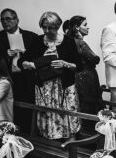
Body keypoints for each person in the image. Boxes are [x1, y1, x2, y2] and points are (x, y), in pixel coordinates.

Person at [20, 12, 81, 140]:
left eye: (51, 28)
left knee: (68, 116)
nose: (47, 31)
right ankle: (52, 149)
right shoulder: (38, 40)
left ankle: (70, 148)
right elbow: (22, 62)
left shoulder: (68, 41)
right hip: (46, 88)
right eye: (44, 27)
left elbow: (79, 66)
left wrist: (65, 63)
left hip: (64, 87)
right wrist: (31, 64)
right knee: (49, 118)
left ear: (58, 26)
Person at [0, 8, 37, 133]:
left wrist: (26, 54)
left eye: (8, 19)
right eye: (2, 19)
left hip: (26, 80)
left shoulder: (32, 37)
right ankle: (7, 136)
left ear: (17, 20)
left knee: (26, 110)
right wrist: (6, 56)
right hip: (7, 79)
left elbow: (37, 59)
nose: (5, 22)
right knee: (7, 110)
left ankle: (26, 136)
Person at [64, 15, 103, 118]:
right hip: (86, 77)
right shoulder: (80, 43)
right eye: (85, 25)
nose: (88, 27)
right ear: (77, 27)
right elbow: (94, 59)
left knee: (79, 103)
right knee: (90, 103)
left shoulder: (68, 41)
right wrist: (96, 58)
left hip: (75, 75)